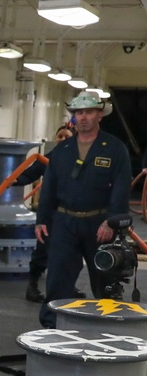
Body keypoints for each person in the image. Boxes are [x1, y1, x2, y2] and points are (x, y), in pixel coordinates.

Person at [37, 92, 131, 328]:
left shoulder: (115, 149)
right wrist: (41, 220)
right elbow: (49, 187)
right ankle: (51, 327)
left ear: (99, 115)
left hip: (99, 224)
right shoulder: (62, 150)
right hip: (64, 223)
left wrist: (111, 222)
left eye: (89, 112)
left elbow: (121, 190)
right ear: (74, 117)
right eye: (79, 113)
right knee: (58, 279)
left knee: (105, 280)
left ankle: (108, 329)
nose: (83, 118)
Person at [13, 125, 73, 303]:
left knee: (70, 251)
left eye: (67, 136)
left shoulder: (81, 159)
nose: (63, 139)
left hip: (72, 212)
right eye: (60, 136)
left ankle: (69, 287)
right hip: (50, 212)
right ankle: (32, 286)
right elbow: (30, 173)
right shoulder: (48, 159)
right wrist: (15, 180)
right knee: (43, 249)